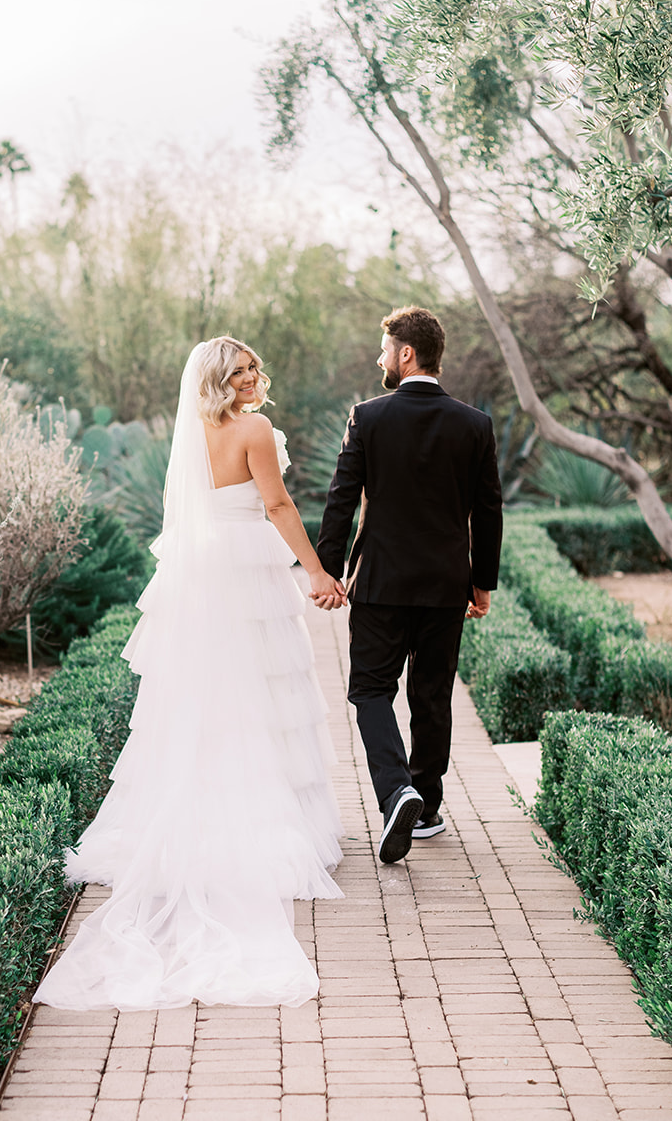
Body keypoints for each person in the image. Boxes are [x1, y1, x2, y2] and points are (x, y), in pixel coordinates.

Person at [34, 337, 347, 1013]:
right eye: (242, 372)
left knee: (202, 696)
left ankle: (193, 810)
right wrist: (318, 572)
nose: (255, 378)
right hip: (245, 567)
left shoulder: (192, 431)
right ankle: (268, 824)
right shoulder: (255, 429)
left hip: (199, 569)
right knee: (263, 692)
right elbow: (279, 506)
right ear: (221, 382)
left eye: (256, 368)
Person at [316, 306, 503, 865]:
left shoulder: (368, 417)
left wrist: (327, 570)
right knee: (431, 694)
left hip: (379, 584)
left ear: (406, 354)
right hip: (446, 586)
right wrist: (482, 583)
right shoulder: (475, 425)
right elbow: (488, 511)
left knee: (371, 690)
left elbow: (341, 498)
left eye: (384, 348)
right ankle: (427, 808)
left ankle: (397, 790)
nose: (379, 358)